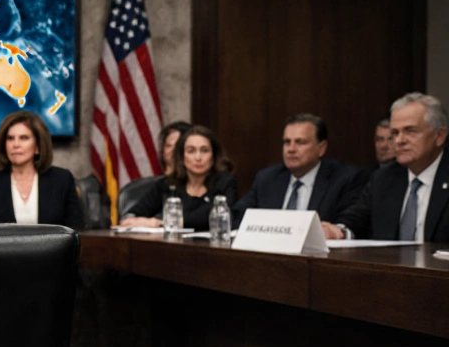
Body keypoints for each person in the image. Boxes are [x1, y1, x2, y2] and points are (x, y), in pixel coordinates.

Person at [329, 93, 449, 242]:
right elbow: (356, 220)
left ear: (439, 136)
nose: (399, 141)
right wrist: (338, 231)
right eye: (395, 133)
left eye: (410, 131)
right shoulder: (384, 179)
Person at [232, 114, 367, 237]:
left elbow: (352, 222)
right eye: (287, 142)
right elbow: (239, 215)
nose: (291, 149)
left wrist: (337, 231)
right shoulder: (267, 179)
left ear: (321, 148)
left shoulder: (344, 178)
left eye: (300, 142)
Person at [119, 125, 238, 230]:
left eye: (204, 151)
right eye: (191, 151)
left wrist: (161, 222)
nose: (198, 157)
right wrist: (137, 221)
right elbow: (131, 216)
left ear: (213, 155)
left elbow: (212, 216)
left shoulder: (225, 182)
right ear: (181, 157)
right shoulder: (168, 184)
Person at [0, 111, 82, 229]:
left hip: (51, 247)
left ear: (38, 146)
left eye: (24, 138)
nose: (16, 144)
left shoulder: (62, 179)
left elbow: (75, 229)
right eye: (10, 138)